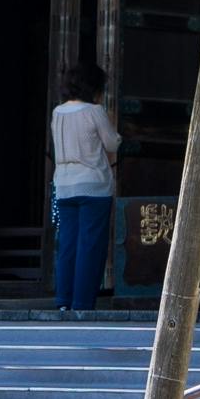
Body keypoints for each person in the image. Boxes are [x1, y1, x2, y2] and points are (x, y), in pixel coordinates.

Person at [51, 64, 121, 317]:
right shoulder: (94, 111)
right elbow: (111, 142)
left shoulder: (57, 112)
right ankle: (82, 302)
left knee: (68, 243)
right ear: (94, 88)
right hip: (93, 184)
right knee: (90, 244)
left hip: (64, 184)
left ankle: (63, 299)